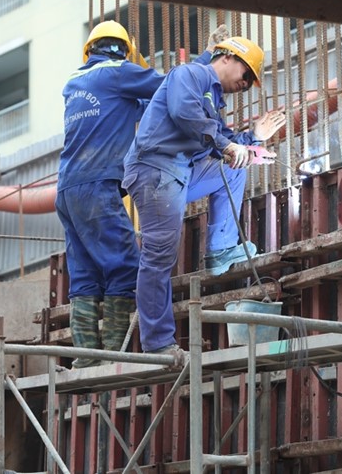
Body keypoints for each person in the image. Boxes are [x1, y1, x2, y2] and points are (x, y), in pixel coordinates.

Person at [56, 20, 222, 368]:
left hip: (67, 189)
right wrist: (208, 55)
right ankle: (114, 355)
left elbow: (136, 109)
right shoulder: (117, 73)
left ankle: (85, 359)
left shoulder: (74, 82)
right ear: (124, 51)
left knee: (85, 274)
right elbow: (175, 86)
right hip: (99, 185)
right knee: (125, 267)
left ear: (90, 49)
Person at [122, 36, 286, 356]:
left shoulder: (212, 100)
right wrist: (227, 147)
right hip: (156, 171)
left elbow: (221, 141)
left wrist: (252, 139)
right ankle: (158, 343)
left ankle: (221, 249)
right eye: (247, 74)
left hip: (180, 173)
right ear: (226, 58)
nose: (246, 83)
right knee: (159, 256)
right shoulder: (189, 75)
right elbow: (185, 114)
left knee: (237, 167)